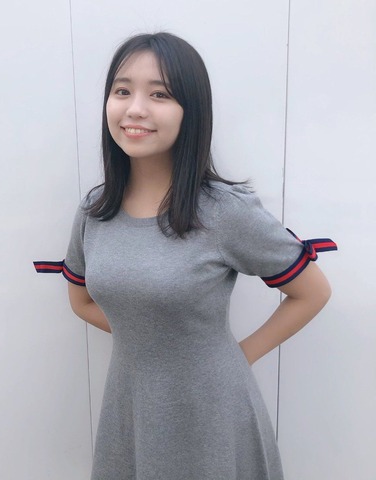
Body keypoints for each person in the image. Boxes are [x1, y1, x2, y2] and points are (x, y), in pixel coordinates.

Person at [34, 32, 337, 480]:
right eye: (122, 91)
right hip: (129, 411)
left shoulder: (224, 211)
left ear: (190, 111)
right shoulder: (95, 210)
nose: (135, 108)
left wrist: (240, 356)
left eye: (159, 94)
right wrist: (152, 336)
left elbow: (312, 292)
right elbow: (80, 301)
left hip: (212, 413)